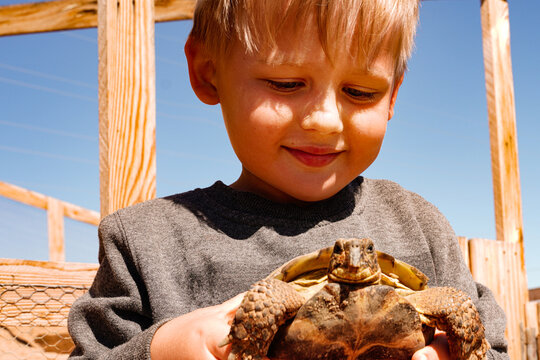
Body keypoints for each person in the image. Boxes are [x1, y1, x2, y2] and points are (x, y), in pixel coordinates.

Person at [67, 0, 508, 359]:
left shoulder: (421, 226)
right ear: (207, 71)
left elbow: (494, 346)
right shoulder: (146, 242)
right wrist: (166, 349)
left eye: (359, 92)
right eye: (285, 83)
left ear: (392, 96)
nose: (324, 120)